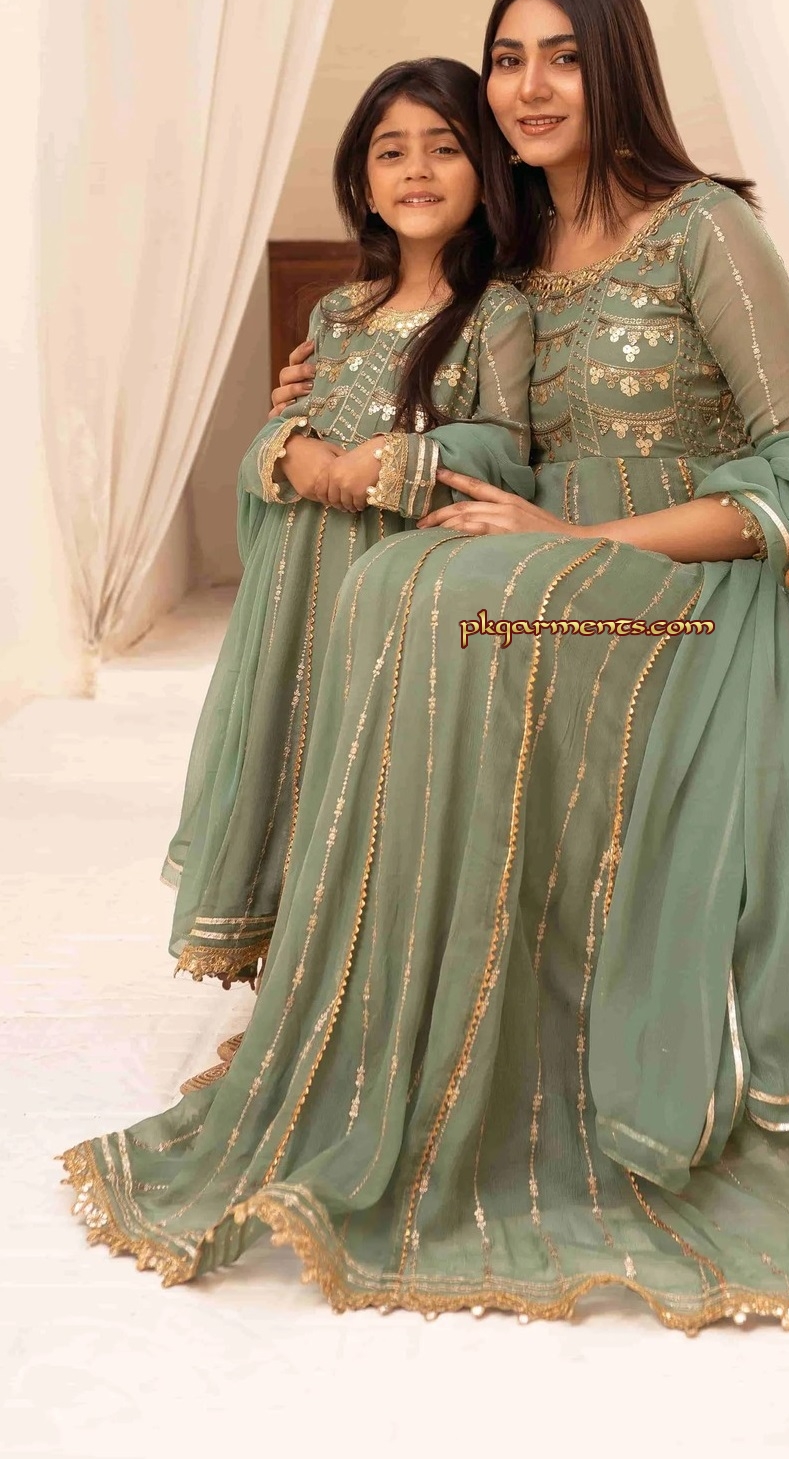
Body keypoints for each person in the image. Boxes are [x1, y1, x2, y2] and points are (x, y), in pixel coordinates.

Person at [63, 0, 789, 1330]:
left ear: (617, 64)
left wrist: (596, 537)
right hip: (551, 568)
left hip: (698, 584)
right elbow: (454, 386)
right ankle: (396, 1041)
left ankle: (446, 1038)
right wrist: (319, 401)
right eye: (508, 58)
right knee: (398, 583)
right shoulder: (512, 253)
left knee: (437, 595)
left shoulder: (704, 231)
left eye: (561, 54)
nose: (530, 85)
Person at [164, 57, 533, 990]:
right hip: (299, 592)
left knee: (373, 772)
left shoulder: (495, 312)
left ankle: (361, 987)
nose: (417, 169)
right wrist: (293, 449)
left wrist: (396, 458)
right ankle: (287, 984)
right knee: (292, 757)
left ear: (487, 172)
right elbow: (291, 427)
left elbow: (509, 445)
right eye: (391, 152)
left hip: (400, 586)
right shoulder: (336, 311)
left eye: (444, 148)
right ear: (363, 184)